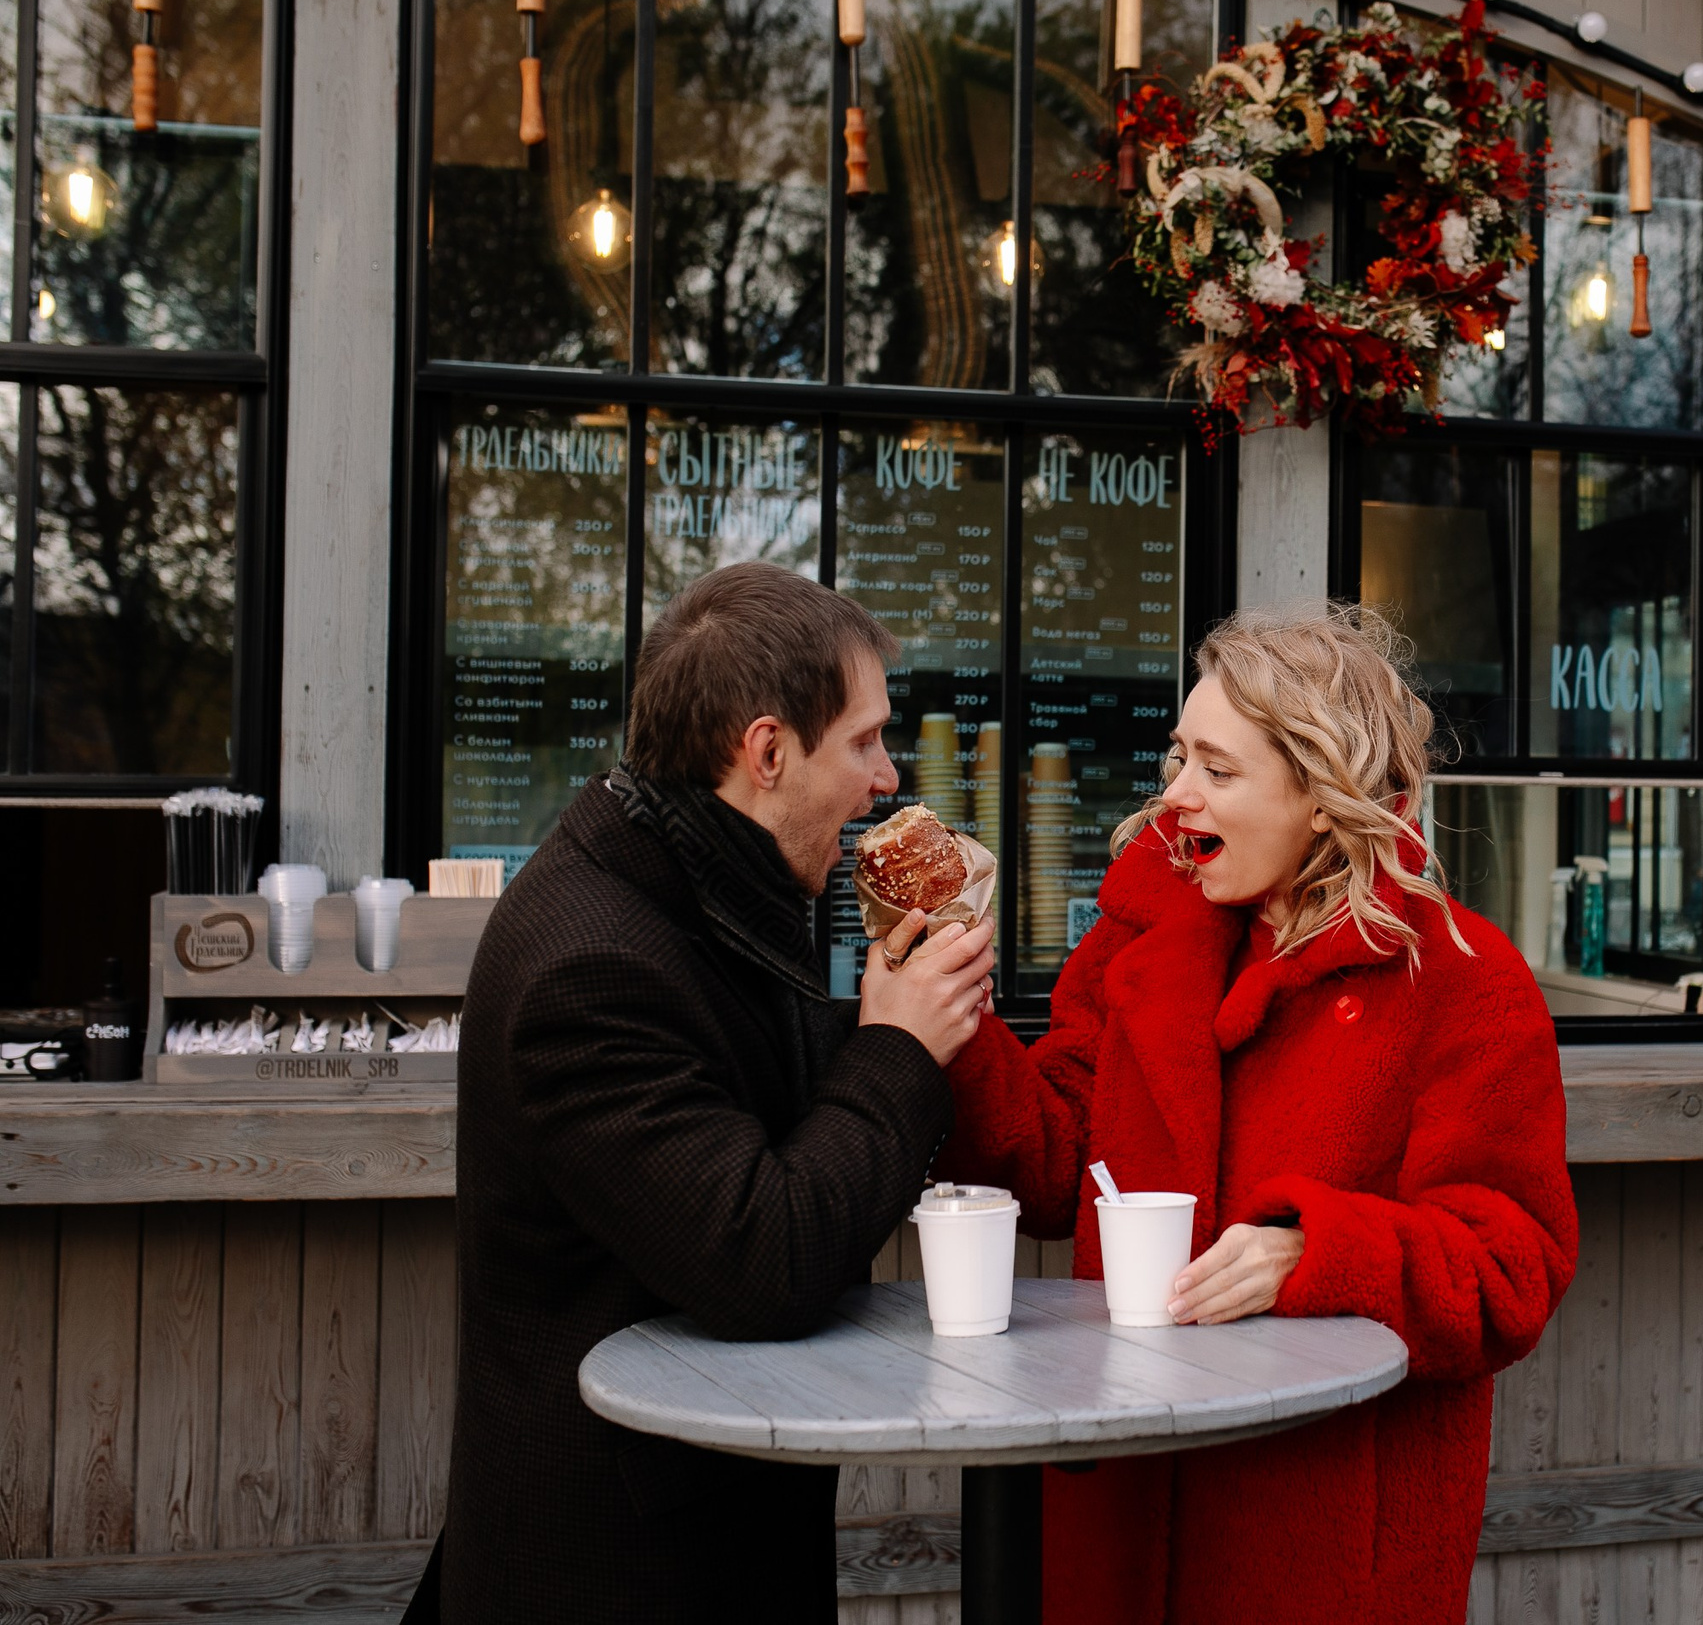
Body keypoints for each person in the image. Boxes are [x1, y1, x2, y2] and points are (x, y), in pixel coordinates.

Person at [934, 604, 1577, 1625]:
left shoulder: (1460, 981)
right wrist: (949, 1026)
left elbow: (1511, 1267)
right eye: (1180, 756)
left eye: (1219, 772)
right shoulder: (1140, 942)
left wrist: (1316, 1252)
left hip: (1320, 1544)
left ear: (1323, 798)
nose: (1174, 795)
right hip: (1126, 1507)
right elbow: (1059, 1165)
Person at [418, 563, 997, 1625]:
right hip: (619, 1571)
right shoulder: (589, 963)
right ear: (767, 752)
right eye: (864, 740)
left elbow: (740, 1080)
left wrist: (899, 1012)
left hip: (702, 1526)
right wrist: (899, 1045)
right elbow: (758, 1255)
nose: (888, 778)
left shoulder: (700, 891)